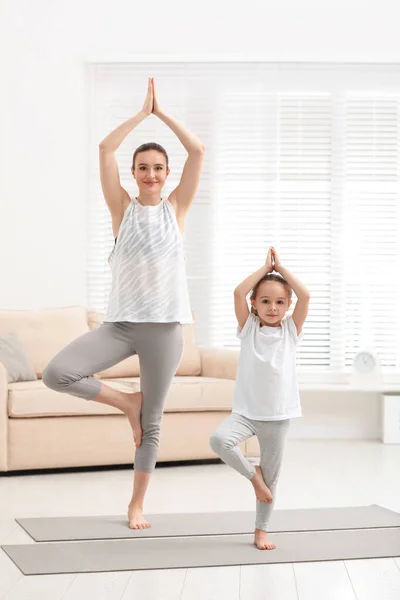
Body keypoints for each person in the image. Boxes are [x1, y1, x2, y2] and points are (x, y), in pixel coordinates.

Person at [43, 77, 205, 530]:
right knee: (57, 373)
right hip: (120, 325)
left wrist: (164, 113)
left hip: (165, 329)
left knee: (153, 423)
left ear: (166, 174)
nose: (151, 174)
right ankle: (126, 403)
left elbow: (198, 153)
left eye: (158, 168)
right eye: (142, 168)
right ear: (132, 174)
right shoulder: (121, 209)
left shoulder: (177, 210)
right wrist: (141, 113)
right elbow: (103, 150)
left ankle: (136, 504)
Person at [210, 246, 310, 550]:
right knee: (219, 440)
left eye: (280, 302)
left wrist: (283, 268)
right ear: (254, 304)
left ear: (287, 305)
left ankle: (260, 531)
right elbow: (238, 291)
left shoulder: (290, 330)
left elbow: (305, 295)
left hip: (278, 416)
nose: (272, 308)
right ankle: (253, 477)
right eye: (265, 301)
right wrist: (265, 269)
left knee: (273, 480)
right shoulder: (248, 327)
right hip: (245, 412)